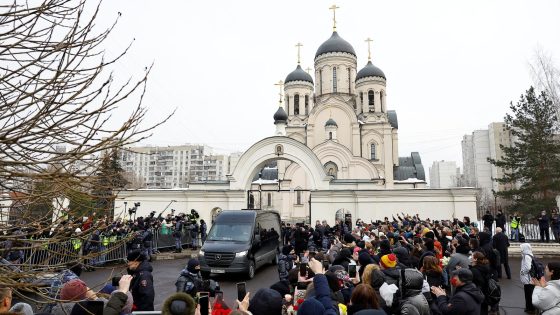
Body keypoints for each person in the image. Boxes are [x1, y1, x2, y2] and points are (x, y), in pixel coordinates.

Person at [520, 243, 536, 313]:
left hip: (528, 279)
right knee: (529, 294)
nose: (521, 250)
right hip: (529, 279)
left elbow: (528, 267)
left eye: (522, 248)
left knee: (528, 294)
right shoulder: (529, 254)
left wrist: (522, 272)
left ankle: (530, 309)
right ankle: (530, 308)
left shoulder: (526, 256)